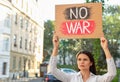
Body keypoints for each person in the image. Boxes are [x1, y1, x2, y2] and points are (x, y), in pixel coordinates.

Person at [48, 33, 116, 82]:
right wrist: (56, 48)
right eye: (79, 59)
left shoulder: (97, 79)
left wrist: (105, 48)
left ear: (91, 63)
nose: (81, 62)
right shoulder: (70, 78)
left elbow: (112, 74)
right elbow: (52, 70)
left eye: (85, 59)